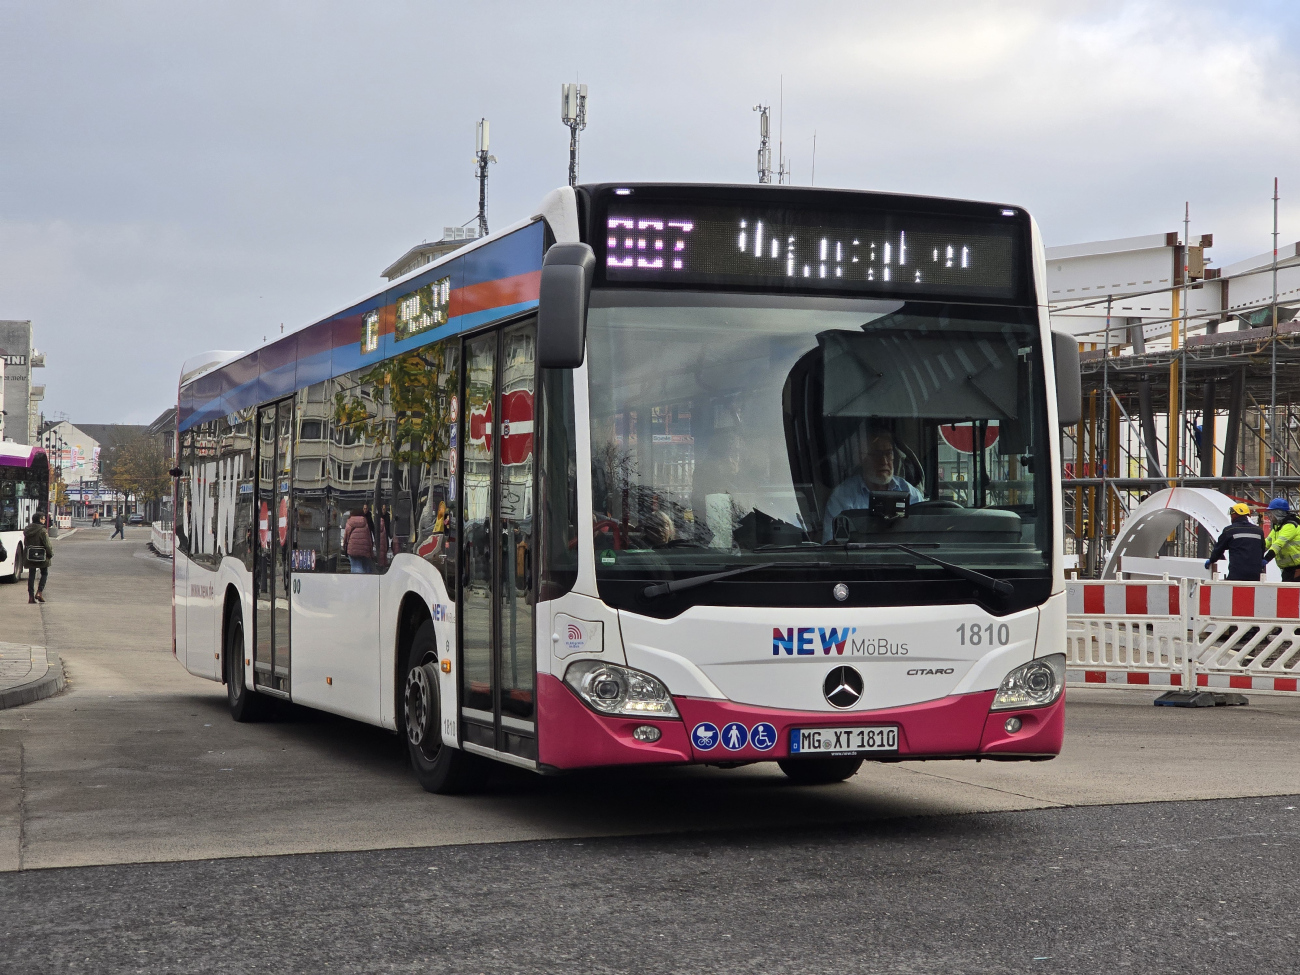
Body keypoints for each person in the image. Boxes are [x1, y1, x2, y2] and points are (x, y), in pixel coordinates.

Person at [822, 427, 925, 541]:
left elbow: (924, 537)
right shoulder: (843, 496)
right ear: (861, 458)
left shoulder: (909, 492)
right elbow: (831, 545)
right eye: (876, 454)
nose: (884, 461)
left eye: (888, 453)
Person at [1205, 502, 1265, 581]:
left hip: (1237, 573)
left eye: (1231, 514)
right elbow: (1262, 549)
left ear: (1235, 515)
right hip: (1256, 575)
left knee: (1235, 592)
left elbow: (1219, 549)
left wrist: (1212, 560)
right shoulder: (1258, 531)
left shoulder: (1230, 530)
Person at [1263, 497, 1300, 582]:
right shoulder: (1278, 528)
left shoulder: (1290, 526)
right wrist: (1257, 553)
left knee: (1292, 594)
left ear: (1278, 513)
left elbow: (1278, 544)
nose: (1270, 516)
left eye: (1271, 513)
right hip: (1289, 569)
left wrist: (1266, 559)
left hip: (1297, 570)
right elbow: (1267, 543)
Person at [23, 511, 53, 604]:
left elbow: (25, 543)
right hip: (41, 555)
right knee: (44, 573)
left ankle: (31, 597)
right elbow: (47, 544)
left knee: (31, 574)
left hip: (30, 555)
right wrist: (50, 553)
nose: (44, 520)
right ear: (39, 520)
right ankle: (39, 592)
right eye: (43, 519)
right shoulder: (42, 530)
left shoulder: (27, 529)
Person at [343, 507, 375, 573]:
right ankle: (363, 579)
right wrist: (371, 552)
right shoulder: (365, 522)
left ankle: (356, 580)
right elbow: (369, 538)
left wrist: (344, 547)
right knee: (364, 566)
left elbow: (346, 537)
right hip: (364, 549)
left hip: (352, 549)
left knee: (355, 566)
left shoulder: (349, 522)